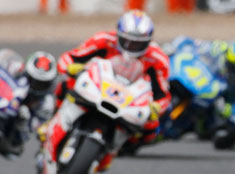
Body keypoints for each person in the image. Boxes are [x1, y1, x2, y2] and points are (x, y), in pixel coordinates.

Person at [54, 9, 170, 162]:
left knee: (152, 127)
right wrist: (70, 68)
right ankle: (53, 120)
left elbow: (163, 95)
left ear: (148, 41)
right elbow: (69, 57)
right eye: (127, 41)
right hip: (97, 87)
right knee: (66, 83)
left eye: (138, 43)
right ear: (118, 35)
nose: (131, 46)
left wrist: (156, 107)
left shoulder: (158, 59)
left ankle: (118, 148)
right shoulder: (103, 40)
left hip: (129, 98)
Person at [0, 50, 56, 158]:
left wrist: (23, 122)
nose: (36, 86)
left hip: (11, 128)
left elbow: (32, 130)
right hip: (4, 104)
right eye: (34, 81)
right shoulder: (15, 68)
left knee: (15, 150)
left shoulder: (46, 104)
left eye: (42, 84)